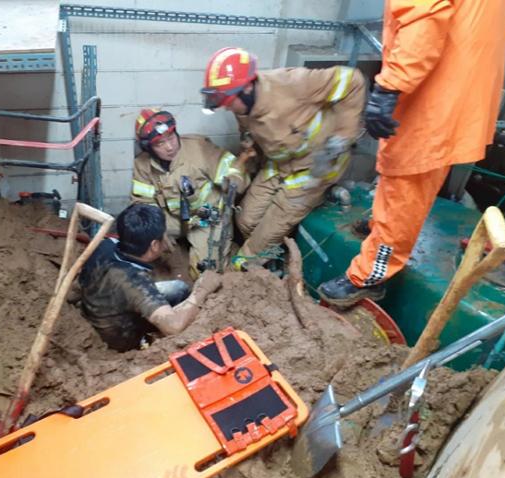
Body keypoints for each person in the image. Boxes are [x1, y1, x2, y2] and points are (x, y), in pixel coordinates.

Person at [318, 0, 505, 307]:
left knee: (404, 180)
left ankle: (370, 276)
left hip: (432, 99)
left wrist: (389, 87)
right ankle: (382, 230)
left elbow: (423, 21)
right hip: (459, 90)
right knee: (410, 181)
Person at [200, 47, 366, 271]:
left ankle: (246, 269)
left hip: (314, 167)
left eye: (228, 101)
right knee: (246, 221)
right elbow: (249, 133)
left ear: (248, 87)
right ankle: (276, 253)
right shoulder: (241, 105)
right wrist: (245, 160)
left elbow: (352, 80)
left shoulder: (292, 83)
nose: (227, 107)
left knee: (255, 247)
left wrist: (343, 135)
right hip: (277, 164)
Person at [79, 204, 222, 352]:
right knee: (182, 294)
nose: (166, 238)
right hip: (119, 335)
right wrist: (203, 290)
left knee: (179, 288)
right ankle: (145, 339)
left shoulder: (105, 245)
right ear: (154, 245)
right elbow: (173, 327)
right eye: (163, 235)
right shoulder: (134, 282)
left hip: (100, 305)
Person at [131, 108, 252, 278]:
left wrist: (234, 179)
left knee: (203, 272)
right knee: (139, 238)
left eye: (171, 137)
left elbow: (232, 167)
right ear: (148, 147)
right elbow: (142, 203)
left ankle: (228, 250)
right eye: (160, 144)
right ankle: (180, 249)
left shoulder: (198, 149)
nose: (170, 146)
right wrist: (157, 231)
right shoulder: (142, 165)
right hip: (173, 219)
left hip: (207, 218)